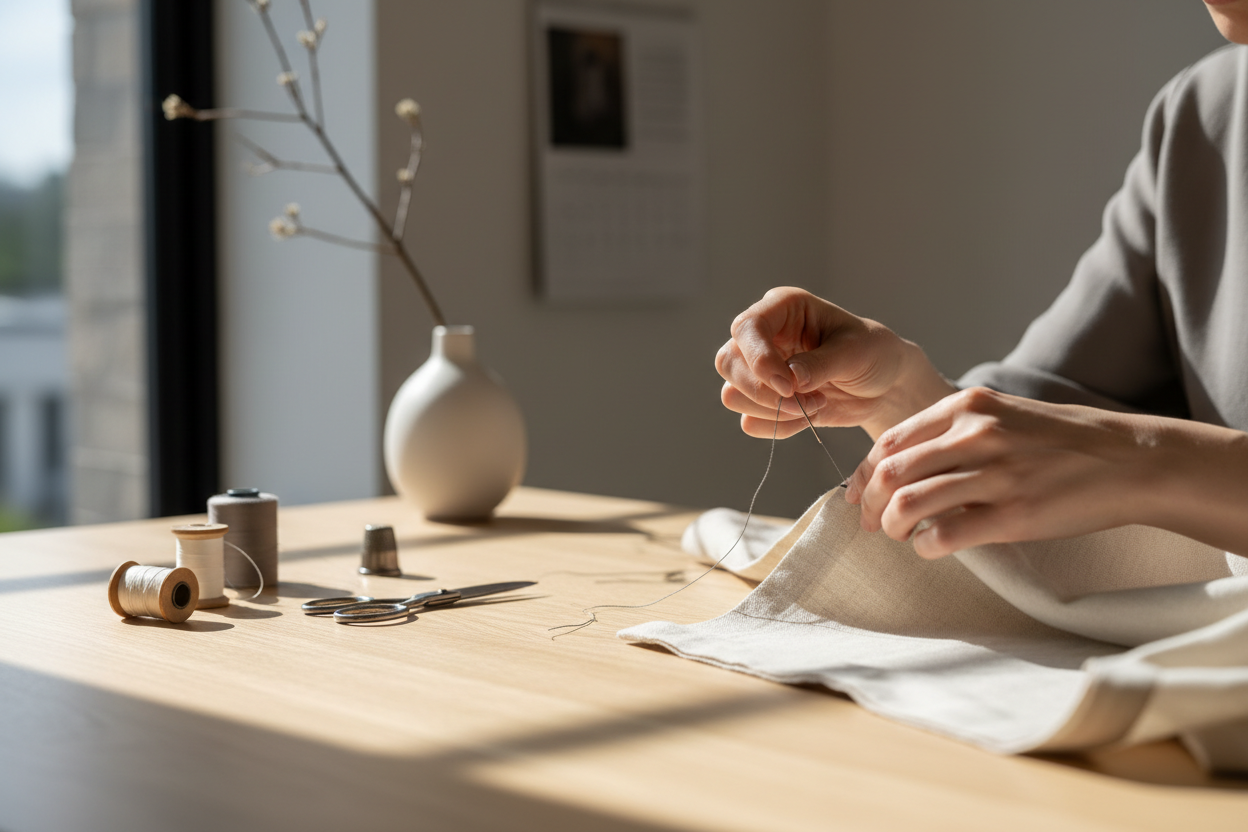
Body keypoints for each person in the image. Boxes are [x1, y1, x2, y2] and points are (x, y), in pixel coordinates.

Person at [716, 0, 1248, 561]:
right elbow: (1043, 428)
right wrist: (901, 391)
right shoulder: (1205, 118)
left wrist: (1147, 462)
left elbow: (1098, 454)